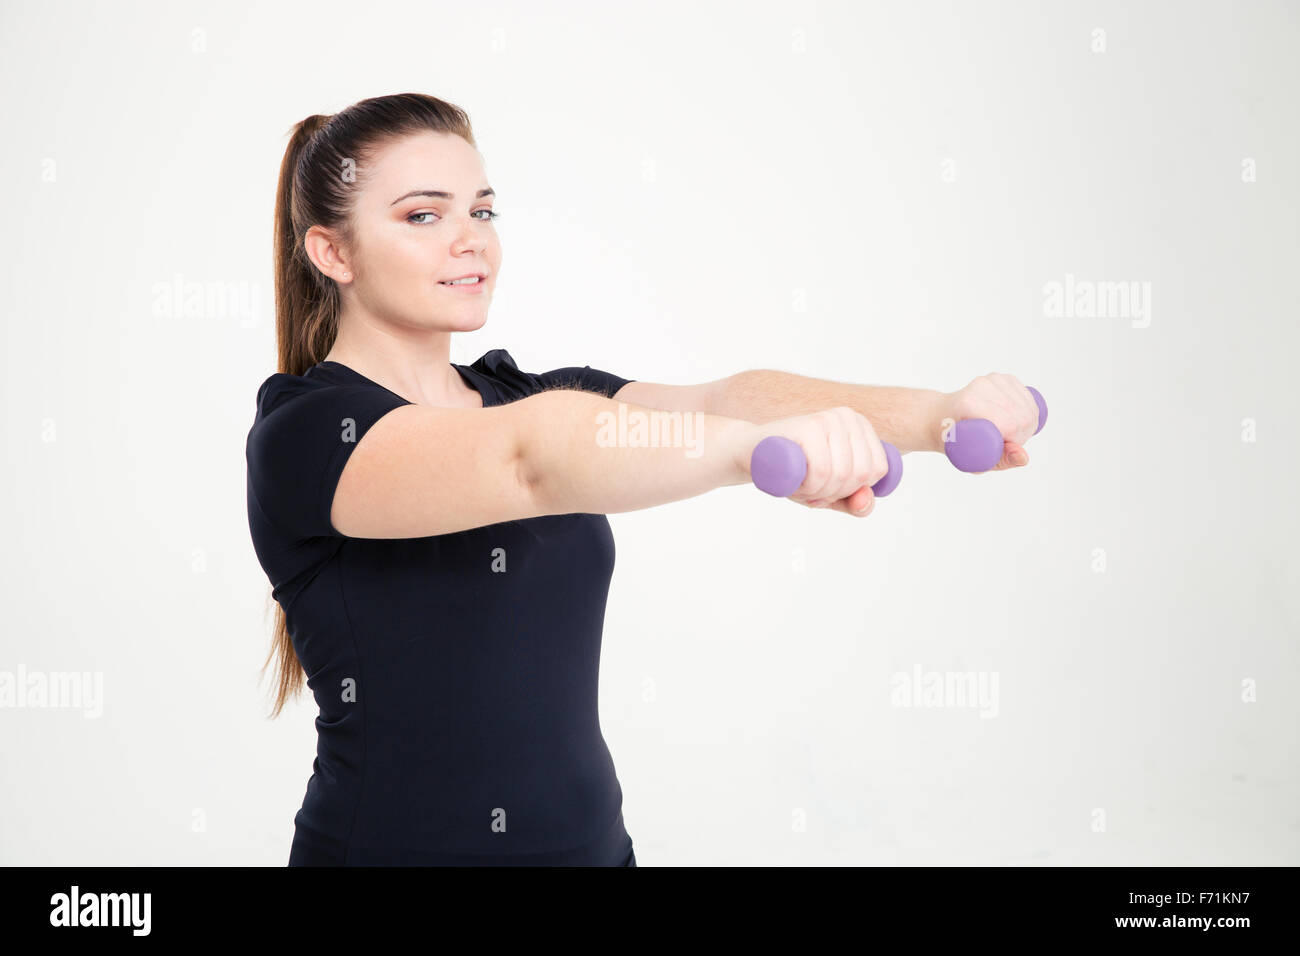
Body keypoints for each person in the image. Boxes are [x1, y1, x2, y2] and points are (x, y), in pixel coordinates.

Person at [246, 92, 1042, 866]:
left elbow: (727, 396)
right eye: (425, 215)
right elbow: (531, 461)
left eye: (482, 212)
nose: (471, 241)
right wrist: (747, 451)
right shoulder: (312, 433)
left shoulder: (522, 389)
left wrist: (941, 414)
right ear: (333, 252)